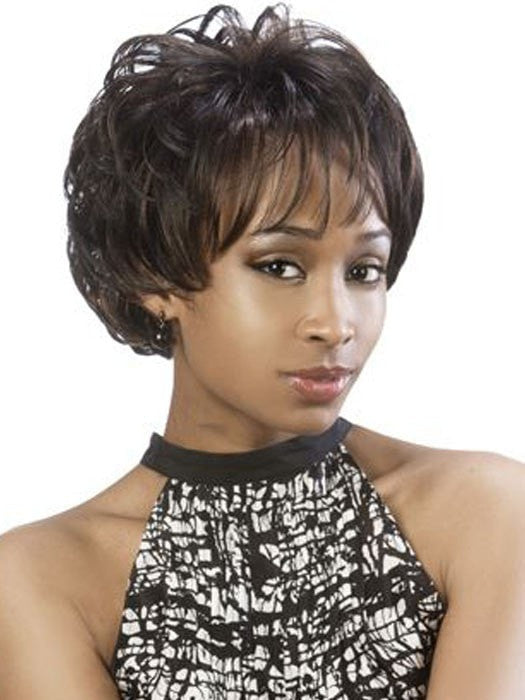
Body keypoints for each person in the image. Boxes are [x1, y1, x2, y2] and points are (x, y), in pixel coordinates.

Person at [0, 3, 523, 699]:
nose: (335, 323)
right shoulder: (42, 580)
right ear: (155, 275)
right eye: (279, 265)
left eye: (363, 270)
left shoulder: (484, 512)